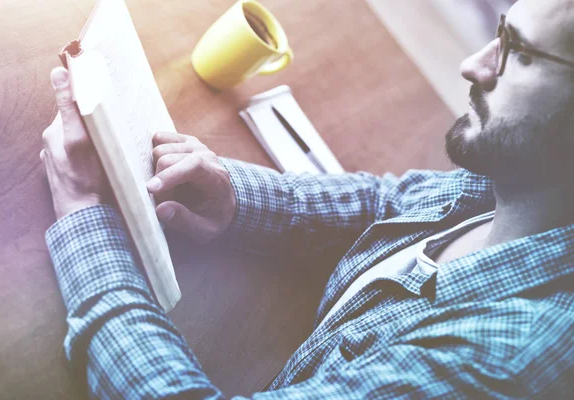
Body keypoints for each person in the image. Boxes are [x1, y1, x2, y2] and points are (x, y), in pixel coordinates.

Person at [40, 0, 574, 398]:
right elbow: (391, 203)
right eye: (500, 32)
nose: (475, 65)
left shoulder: (500, 360)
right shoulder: (518, 180)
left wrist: (85, 216)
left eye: (520, 53)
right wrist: (235, 198)